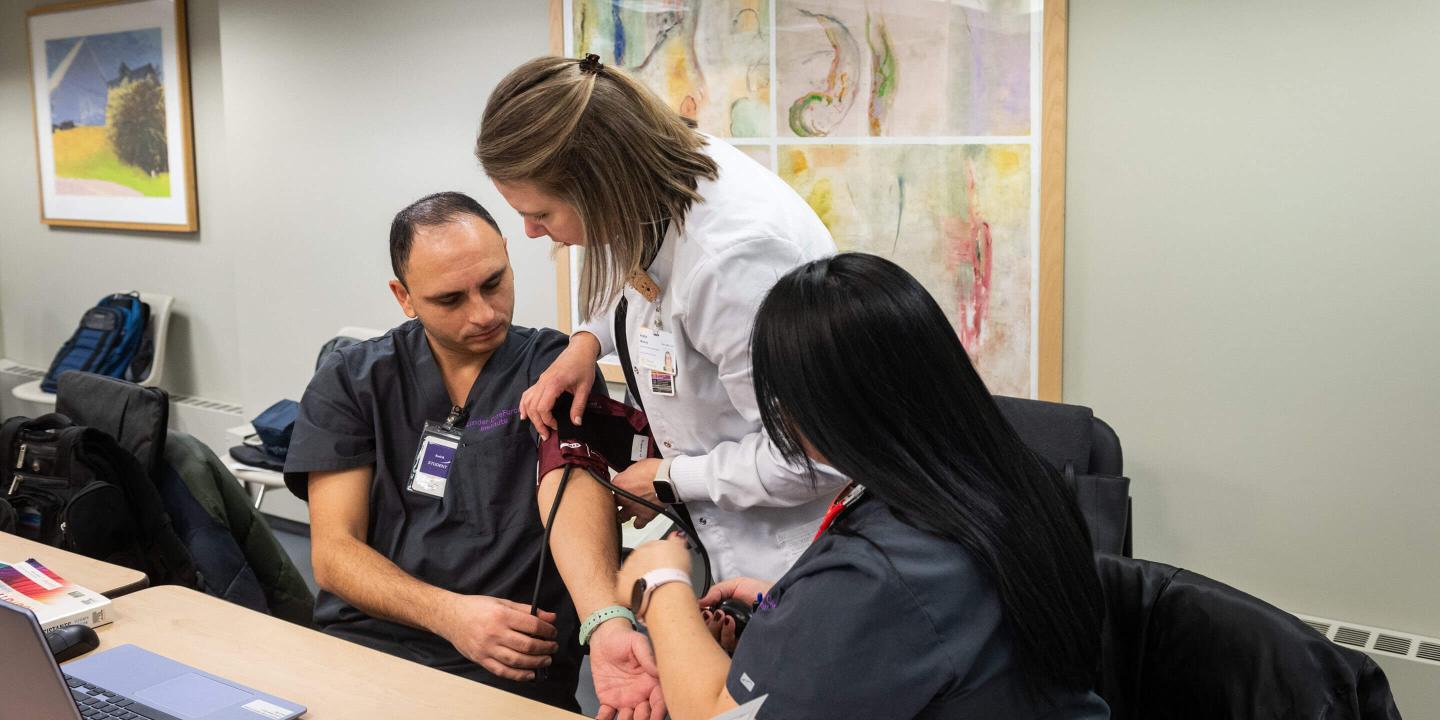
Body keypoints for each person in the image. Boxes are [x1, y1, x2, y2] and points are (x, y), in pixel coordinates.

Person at [476, 54, 845, 718]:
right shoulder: (658, 171)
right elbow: (643, 274)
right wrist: (589, 340)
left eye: (543, 213)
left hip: (788, 543)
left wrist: (675, 478)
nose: (531, 233)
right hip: (723, 531)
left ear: (598, 181)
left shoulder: (735, 260)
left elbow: (815, 458)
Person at [614, 253, 1112, 719]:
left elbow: (718, 714)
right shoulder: (1017, 478)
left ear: (812, 410)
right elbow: (924, 632)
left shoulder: (878, 572)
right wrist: (786, 613)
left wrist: (660, 585)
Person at [282, 192, 600, 711]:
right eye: (450, 300)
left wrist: (605, 619)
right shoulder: (352, 380)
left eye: (494, 283)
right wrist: (450, 615)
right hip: (371, 643)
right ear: (404, 297)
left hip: (508, 656)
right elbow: (335, 554)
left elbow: (575, 506)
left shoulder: (553, 372)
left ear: (507, 253)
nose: (483, 314)